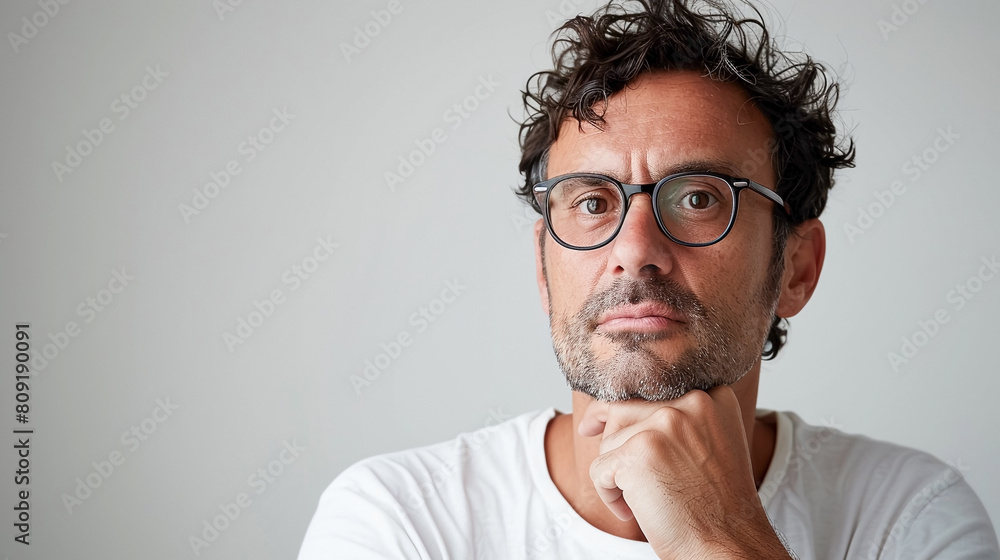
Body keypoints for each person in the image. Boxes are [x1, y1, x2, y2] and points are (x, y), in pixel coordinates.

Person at [298, 1, 1000, 558]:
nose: (634, 251)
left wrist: (718, 538)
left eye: (698, 198)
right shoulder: (400, 521)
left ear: (797, 268)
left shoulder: (910, 516)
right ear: (545, 269)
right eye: (593, 203)